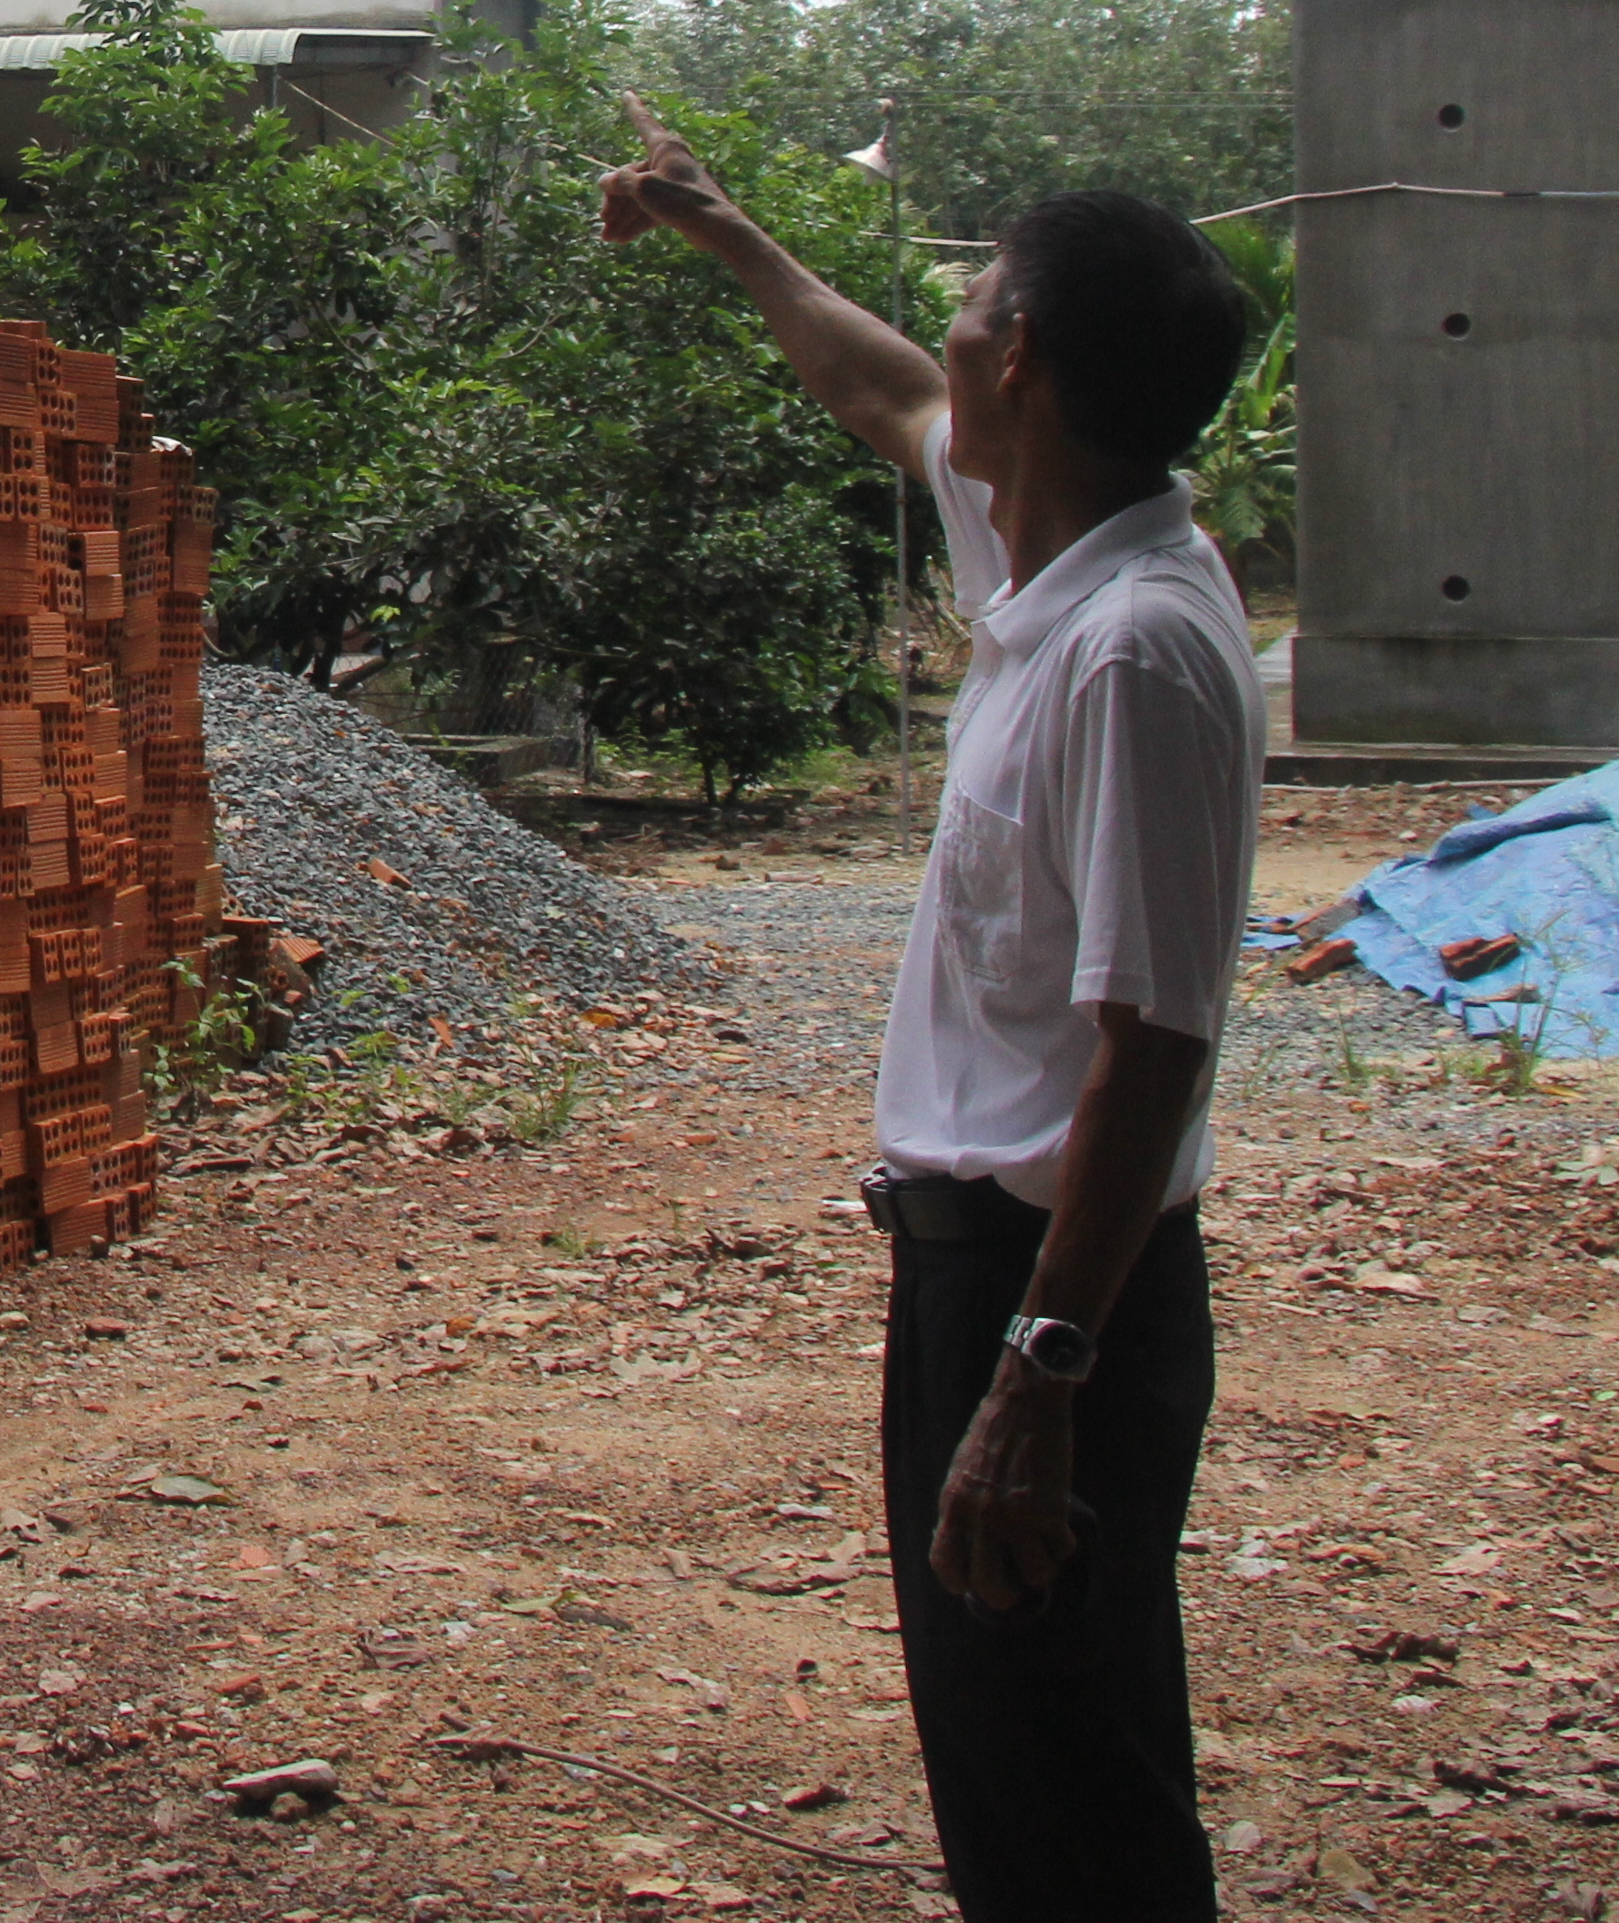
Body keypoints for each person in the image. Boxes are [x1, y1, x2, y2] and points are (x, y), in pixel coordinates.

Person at [600, 102, 1260, 1923]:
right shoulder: (1058, 557)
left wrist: (1038, 1380)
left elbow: (1160, 1043)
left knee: (1072, 1794)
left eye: (973, 293)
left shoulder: (1136, 649)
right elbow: (883, 396)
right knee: (1015, 1762)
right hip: (990, 1273)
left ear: (1026, 353)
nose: (950, 325)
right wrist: (723, 232)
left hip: (1062, 1302)